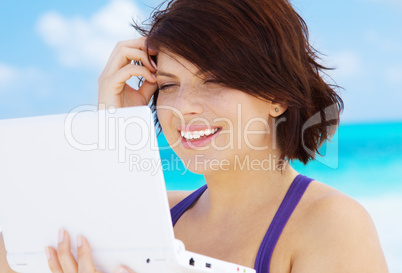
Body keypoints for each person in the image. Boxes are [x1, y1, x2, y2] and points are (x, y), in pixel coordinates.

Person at [0, 0, 389, 272]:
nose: (183, 106)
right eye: (168, 84)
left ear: (278, 95)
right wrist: (116, 130)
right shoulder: (150, 217)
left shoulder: (331, 225)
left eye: (214, 80)